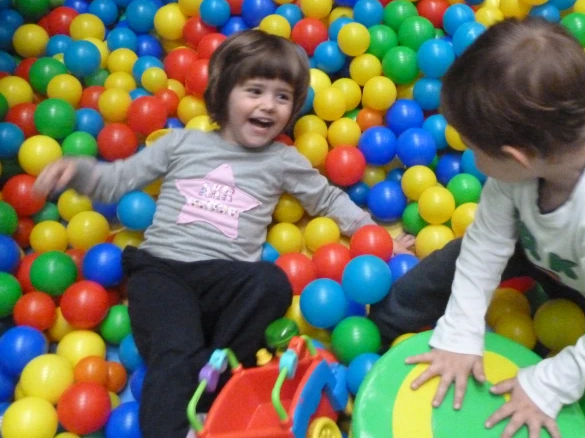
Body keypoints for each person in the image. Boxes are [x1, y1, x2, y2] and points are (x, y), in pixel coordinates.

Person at [33, 29, 412, 438]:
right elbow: (119, 179)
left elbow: (326, 199)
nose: (269, 105)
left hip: (227, 281)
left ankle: (218, 375)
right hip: (165, 272)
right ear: (223, 92)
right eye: (255, 91)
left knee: (271, 283)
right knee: (174, 351)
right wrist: (80, 172)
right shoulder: (181, 143)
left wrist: (377, 236)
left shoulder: (281, 159)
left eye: (282, 97)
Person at [369, 17, 585, 438]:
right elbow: (485, 243)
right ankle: (381, 333)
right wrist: (459, 333)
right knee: (439, 276)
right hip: (547, 248)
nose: (470, 156)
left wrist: (546, 384)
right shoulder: (532, 163)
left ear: (515, 157)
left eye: (472, 148)